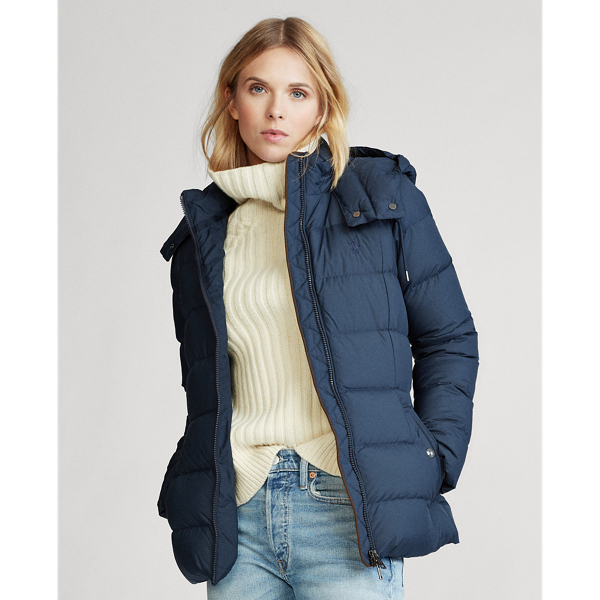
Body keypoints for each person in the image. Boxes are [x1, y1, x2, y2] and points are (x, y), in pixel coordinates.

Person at [157, 16, 479, 600]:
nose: (276, 110)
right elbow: (208, 387)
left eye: (298, 92)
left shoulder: (378, 198)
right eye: (258, 88)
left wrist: (433, 457)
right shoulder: (204, 236)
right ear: (232, 101)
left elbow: (448, 337)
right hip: (240, 514)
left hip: (343, 507)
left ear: (322, 107)